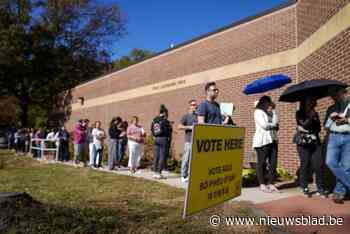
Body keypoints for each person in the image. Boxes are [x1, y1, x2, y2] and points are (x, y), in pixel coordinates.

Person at [294, 97, 327, 197]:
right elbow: (303, 125)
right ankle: (304, 187)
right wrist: (310, 118)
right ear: (304, 102)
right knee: (305, 164)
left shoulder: (315, 113)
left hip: (315, 142)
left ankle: (320, 188)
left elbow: (318, 128)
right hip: (303, 143)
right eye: (309, 100)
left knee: (319, 164)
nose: (311, 102)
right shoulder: (299, 113)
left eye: (312, 100)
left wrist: (311, 119)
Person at [324, 87, 350, 204]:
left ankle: (339, 193)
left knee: (346, 166)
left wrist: (346, 120)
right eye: (334, 96)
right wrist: (331, 118)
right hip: (334, 137)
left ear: (345, 93)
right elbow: (326, 126)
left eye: (338, 95)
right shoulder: (331, 108)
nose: (335, 98)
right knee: (330, 162)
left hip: (348, 137)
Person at [253, 96, 279, 193]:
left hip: (273, 140)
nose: (270, 104)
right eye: (268, 102)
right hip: (262, 141)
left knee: (273, 162)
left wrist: (274, 111)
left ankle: (271, 184)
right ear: (263, 102)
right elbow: (264, 125)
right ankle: (262, 184)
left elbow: (277, 123)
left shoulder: (271, 112)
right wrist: (273, 125)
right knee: (262, 162)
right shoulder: (258, 112)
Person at [178, 99, 198, 183]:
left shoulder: (198, 116)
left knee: (193, 160)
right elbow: (179, 126)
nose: (195, 106)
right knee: (186, 159)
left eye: (196, 105)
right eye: (193, 105)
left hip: (196, 141)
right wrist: (190, 127)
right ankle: (183, 175)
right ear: (189, 106)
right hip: (188, 141)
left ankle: (190, 175)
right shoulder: (186, 116)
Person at [151, 105, 172, 179]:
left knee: (156, 156)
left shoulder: (154, 119)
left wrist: (154, 136)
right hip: (163, 139)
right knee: (162, 156)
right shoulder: (165, 120)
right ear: (164, 113)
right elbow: (167, 131)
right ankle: (159, 173)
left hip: (156, 138)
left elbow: (151, 129)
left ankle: (155, 172)